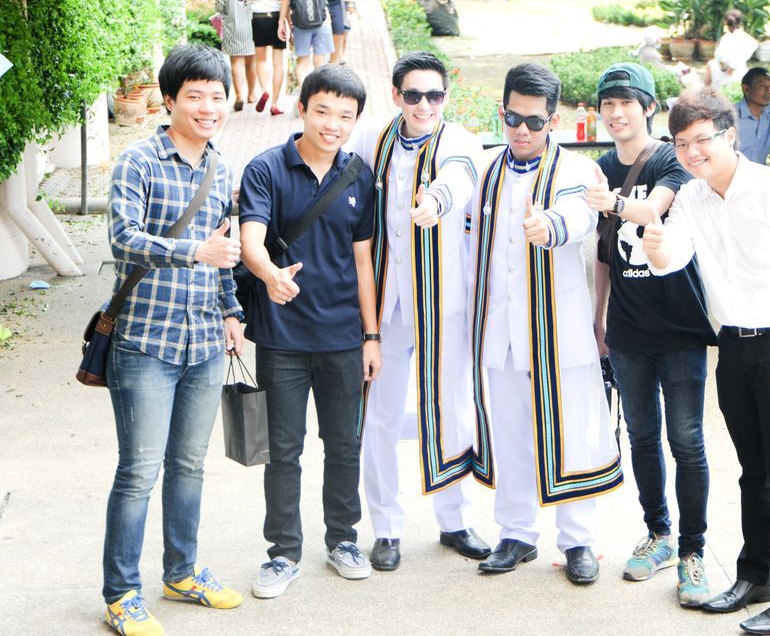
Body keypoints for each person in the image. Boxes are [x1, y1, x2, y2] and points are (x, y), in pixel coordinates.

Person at [643, 88, 770, 636]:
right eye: (681, 144)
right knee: (754, 472)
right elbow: (671, 259)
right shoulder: (692, 198)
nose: (692, 152)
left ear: (729, 136)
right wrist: (654, 245)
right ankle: (757, 577)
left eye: (701, 140)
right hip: (733, 344)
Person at [102, 43, 244, 636]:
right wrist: (193, 251)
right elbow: (123, 238)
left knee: (189, 465)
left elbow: (225, 252)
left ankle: (181, 574)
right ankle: (121, 595)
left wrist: (231, 310)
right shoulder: (137, 162)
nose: (208, 107)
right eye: (195, 97)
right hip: (145, 342)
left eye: (217, 96)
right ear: (169, 100)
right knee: (139, 471)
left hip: (205, 341)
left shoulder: (221, 167)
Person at [470, 64, 623, 585]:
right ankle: (516, 533)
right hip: (501, 332)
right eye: (513, 118)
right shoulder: (485, 168)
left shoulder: (577, 171)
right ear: (502, 112)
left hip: (558, 331)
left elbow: (579, 216)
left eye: (534, 121)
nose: (522, 129)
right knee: (511, 434)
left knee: (570, 433)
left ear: (553, 121)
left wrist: (549, 225)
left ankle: (577, 540)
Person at [238, 64, 382, 598]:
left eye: (345, 116)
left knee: (344, 444)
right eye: (322, 111)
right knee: (282, 449)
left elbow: (364, 262)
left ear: (355, 120)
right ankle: (282, 553)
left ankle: (343, 540)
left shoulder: (359, 176)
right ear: (302, 109)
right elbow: (251, 239)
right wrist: (269, 275)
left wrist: (371, 337)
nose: (332, 124)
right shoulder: (266, 169)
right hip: (282, 337)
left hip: (343, 336)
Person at [345, 51, 490, 571]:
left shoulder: (460, 142)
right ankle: (385, 527)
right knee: (380, 416)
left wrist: (437, 203)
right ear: (396, 96)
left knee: (451, 410)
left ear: (446, 97)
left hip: (443, 302)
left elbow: (459, 177)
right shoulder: (373, 139)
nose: (424, 105)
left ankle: (455, 520)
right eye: (413, 95)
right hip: (385, 307)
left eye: (434, 95)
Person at [584, 64, 717, 603]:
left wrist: (614, 202)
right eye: (608, 105)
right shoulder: (600, 167)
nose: (616, 114)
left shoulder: (669, 158)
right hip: (628, 328)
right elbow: (604, 253)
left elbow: (653, 209)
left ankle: (693, 551)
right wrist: (598, 317)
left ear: (647, 108)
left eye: (626, 104)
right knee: (641, 435)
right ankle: (658, 534)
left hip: (679, 324)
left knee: (687, 440)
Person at [279, 0, 339, 90]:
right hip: (322, 20)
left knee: (302, 63)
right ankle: (318, 93)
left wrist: (281, 21)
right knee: (320, 62)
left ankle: (305, 94)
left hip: (300, 21)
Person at [240, 0, 287, 116]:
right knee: (278, 63)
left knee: (260, 60)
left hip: (258, 20)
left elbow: (242, 0)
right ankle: (274, 104)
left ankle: (265, 90)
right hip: (277, 19)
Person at [217, 0, 258, 111]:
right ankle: (251, 95)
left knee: (236, 63)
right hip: (253, 26)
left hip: (233, 27)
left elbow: (219, 6)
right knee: (251, 62)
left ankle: (239, 95)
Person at [704, 9, 759, 91]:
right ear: (740, 22)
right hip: (741, 73)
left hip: (726, 73)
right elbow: (755, 45)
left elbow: (720, 56)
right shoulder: (747, 38)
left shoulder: (726, 38)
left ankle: (705, 92)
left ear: (725, 22)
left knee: (710, 64)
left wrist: (727, 68)